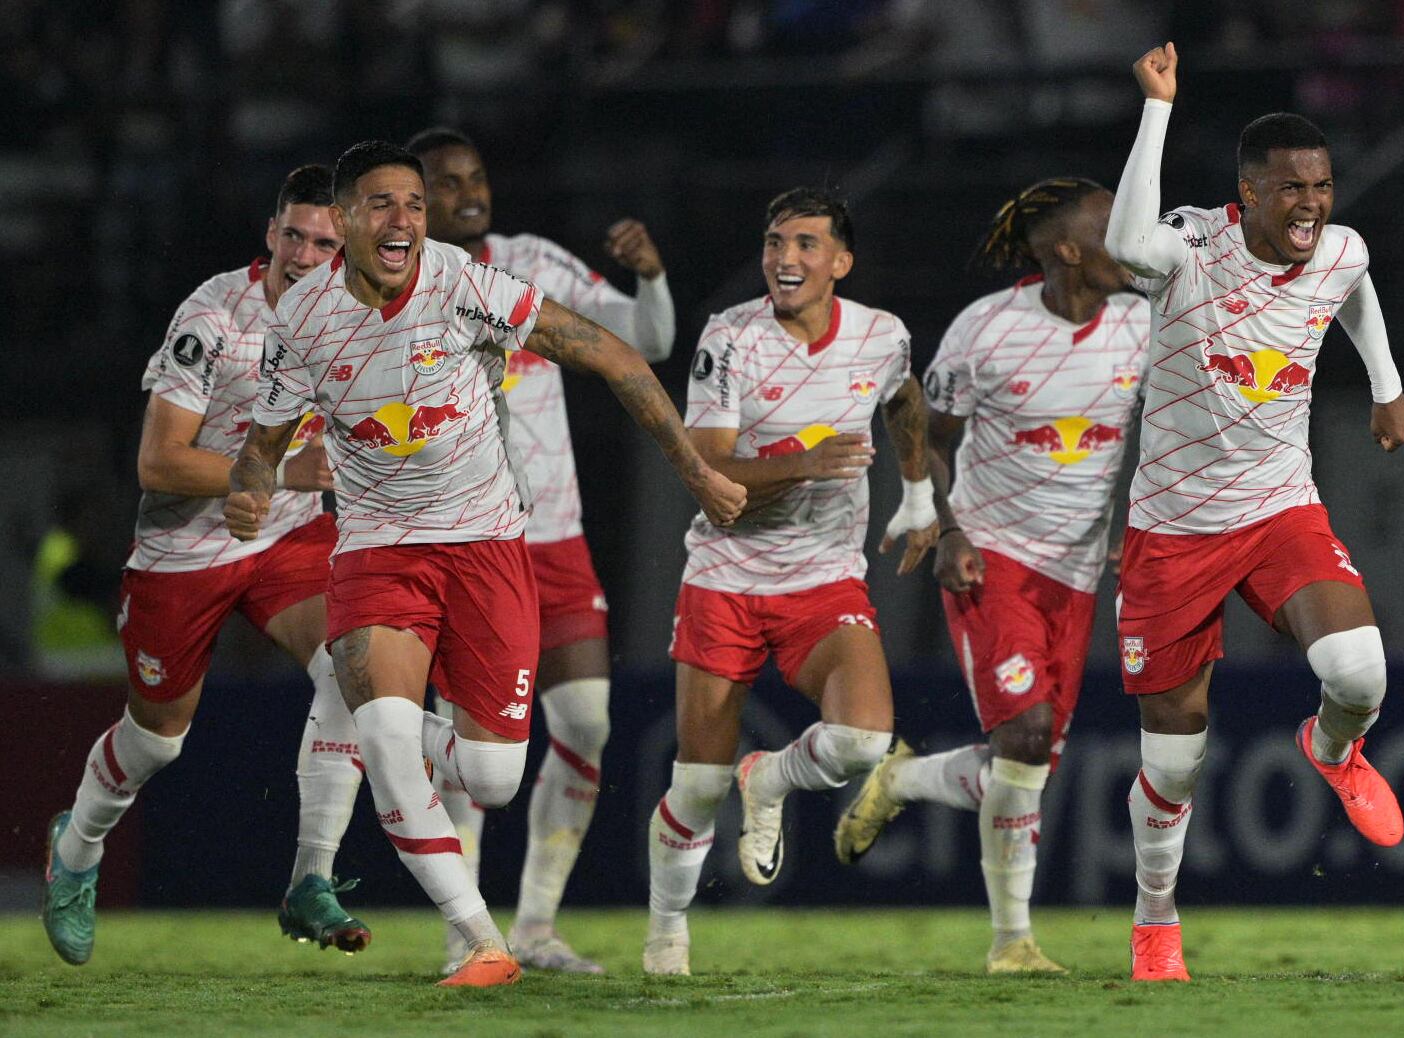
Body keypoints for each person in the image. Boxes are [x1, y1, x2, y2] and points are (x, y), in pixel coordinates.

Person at [224, 140, 743, 988]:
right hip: (379, 550)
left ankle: (391, 734)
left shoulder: (464, 283)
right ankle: (480, 939)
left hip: (489, 546)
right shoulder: (300, 322)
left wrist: (696, 472)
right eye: (383, 203)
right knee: (387, 736)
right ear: (344, 219)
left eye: (413, 203)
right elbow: (261, 447)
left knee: (494, 778)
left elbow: (617, 355)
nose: (404, 219)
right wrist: (250, 490)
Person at [1102, 43, 1404, 982]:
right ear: (1246, 195)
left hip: (1281, 508)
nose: (1311, 206)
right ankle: (1155, 920)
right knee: (1174, 765)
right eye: (1291, 190)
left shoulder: (1340, 249)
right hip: (1172, 529)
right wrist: (1157, 108)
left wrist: (1386, 386)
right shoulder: (1190, 249)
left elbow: (1355, 286)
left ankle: (1332, 748)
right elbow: (1126, 246)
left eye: (1322, 186)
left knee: (1358, 673)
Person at [43, 165, 371, 966]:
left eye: (324, 244)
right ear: (270, 234)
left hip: (288, 540)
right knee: (158, 741)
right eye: (293, 236)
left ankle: (311, 880)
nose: (304, 255)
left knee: (355, 668)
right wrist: (281, 473)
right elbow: (158, 463)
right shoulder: (213, 317)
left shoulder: (356, 317)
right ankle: (76, 848)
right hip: (185, 549)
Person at [834, 178, 1150, 974]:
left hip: (1077, 572)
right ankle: (1012, 943)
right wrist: (946, 527)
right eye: (1112, 227)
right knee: (1025, 739)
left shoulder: (1141, 323)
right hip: (994, 554)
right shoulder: (988, 331)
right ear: (1068, 250)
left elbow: (1178, 423)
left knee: (1026, 767)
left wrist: (1139, 514)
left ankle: (905, 780)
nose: (1132, 238)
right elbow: (930, 436)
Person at [643, 187, 938, 976]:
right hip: (726, 578)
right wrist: (805, 464)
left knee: (863, 742)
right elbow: (706, 468)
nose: (785, 258)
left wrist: (918, 496)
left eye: (806, 244)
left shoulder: (881, 335)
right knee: (697, 786)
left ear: (841, 261)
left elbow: (904, 399)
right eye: (775, 242)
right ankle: (666, 935)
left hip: (823, 576)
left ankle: (769, 777)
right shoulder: (730, 336)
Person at [408, 126, 675, 975]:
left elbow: (647, 340)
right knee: (475, 747)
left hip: (556, 538)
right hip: (469, 540)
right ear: (412, 202)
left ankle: (534, 927)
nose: (469, 193)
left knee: (587, 723)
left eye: (475, 177)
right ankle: (467, 935)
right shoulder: (403, 291)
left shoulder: (533, 263)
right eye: (446, 183)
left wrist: (651, 277)